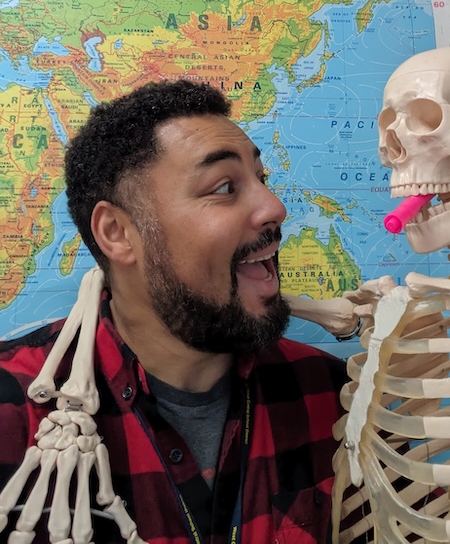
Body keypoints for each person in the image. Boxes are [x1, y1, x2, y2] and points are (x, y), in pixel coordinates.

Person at [0, 79, 348, 544]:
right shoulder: (12, 409)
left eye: (261, 180)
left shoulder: (334, 396)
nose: (275, 207)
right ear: (118, 233)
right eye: (224, 187)